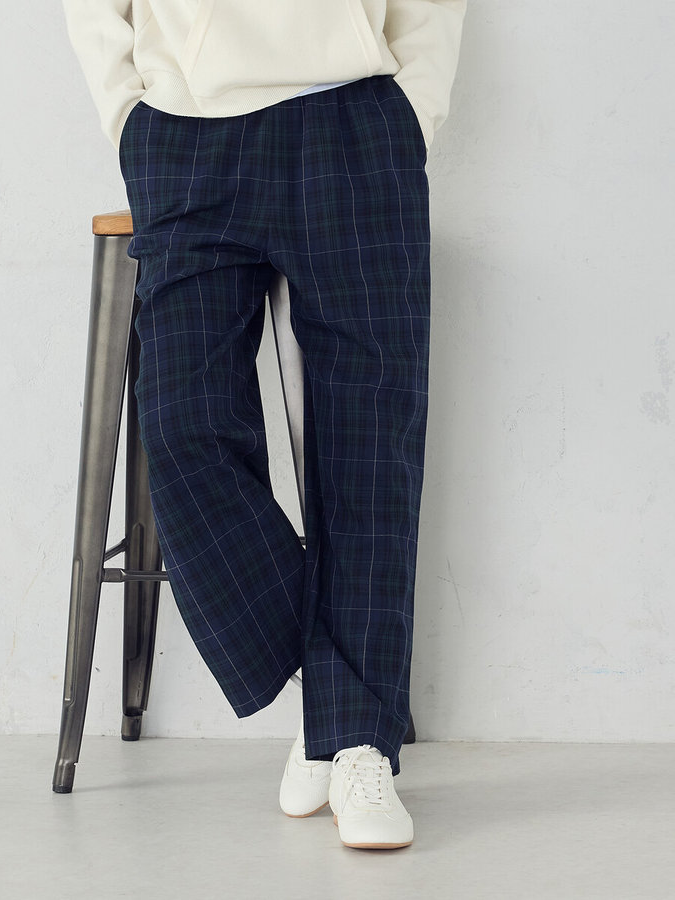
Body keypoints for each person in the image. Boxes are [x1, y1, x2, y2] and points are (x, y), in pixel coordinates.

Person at [62, 0, 467, 850]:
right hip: (185, 131)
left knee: (372, 445)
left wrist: (412, 113)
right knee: (184, 430)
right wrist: (127, 113)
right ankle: (339, 698)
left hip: (355, 119)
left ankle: (358, 744)